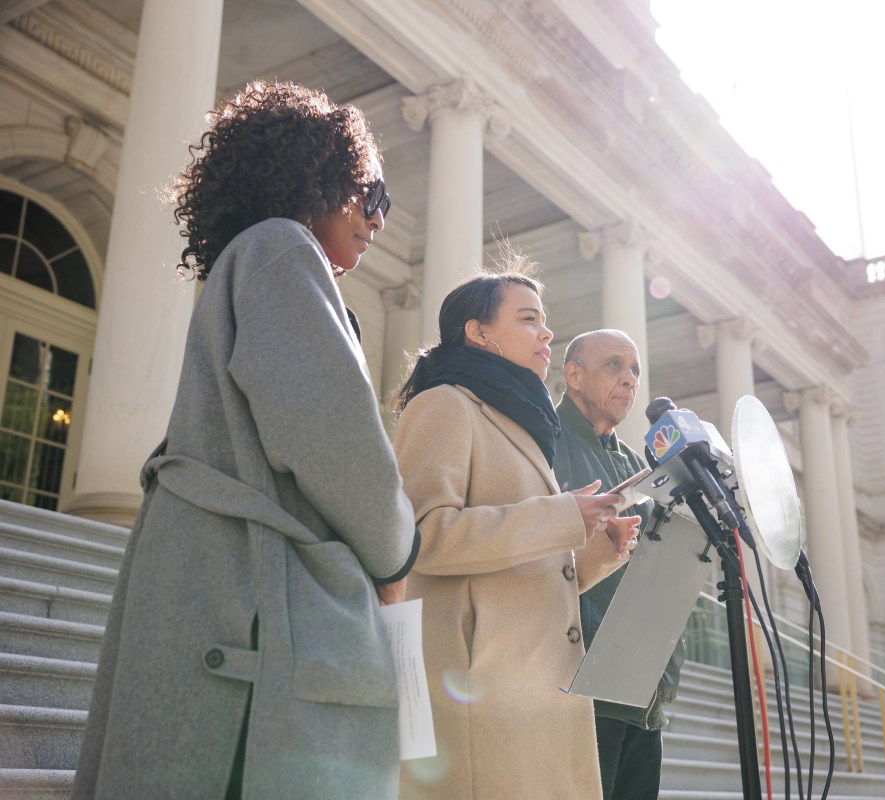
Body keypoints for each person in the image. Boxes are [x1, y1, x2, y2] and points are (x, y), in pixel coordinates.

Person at [71, 80, 418, 800]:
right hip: (249, 609)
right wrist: (396, 552)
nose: (379, 221)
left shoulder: (253, 258)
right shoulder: (283, 251)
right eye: (370, 194)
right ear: (315, 175)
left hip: (215, 590)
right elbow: (337, 444)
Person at [391, 266, 640, 799]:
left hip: (536, 690)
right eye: (528, 320)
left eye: (545, 322)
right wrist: (560, 516)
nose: (546, 333)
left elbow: (521, 573)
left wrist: (597, 552)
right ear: (479, 333)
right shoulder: (445, 405)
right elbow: (421, 537)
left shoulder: (518, 422)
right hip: (482, 690)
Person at [553, 330, 687, 800]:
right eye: (614, 365)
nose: (629, 379)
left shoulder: (639, 466)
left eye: (634, 370)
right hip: (581, 687)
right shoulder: (541, 443)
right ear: (574, 375)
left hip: (643, 692)